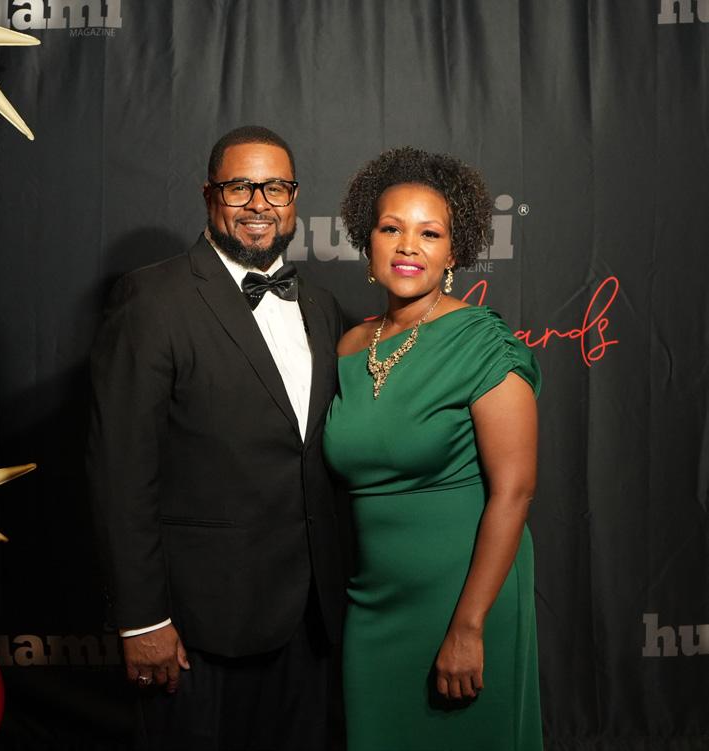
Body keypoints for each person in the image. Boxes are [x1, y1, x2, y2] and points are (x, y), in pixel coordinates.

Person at [87, 126, 344, 751]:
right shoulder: (153, 299)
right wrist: (142, 619)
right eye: (240, 187)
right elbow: (121, 471)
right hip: (198, 625)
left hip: (312, 620)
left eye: (275, 188)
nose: (259, 203)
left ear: (294, 198)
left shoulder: (322, 306)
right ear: (209, 195)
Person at [323, 146, 543, 750]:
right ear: (367, 242)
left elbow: (515, 491)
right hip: (374, 602)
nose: (408, 246)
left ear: (454, 251)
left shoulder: (483, 343)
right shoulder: (349, 347)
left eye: (429, 233)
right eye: (391, 229)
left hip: (465, 600)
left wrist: (468, 627)